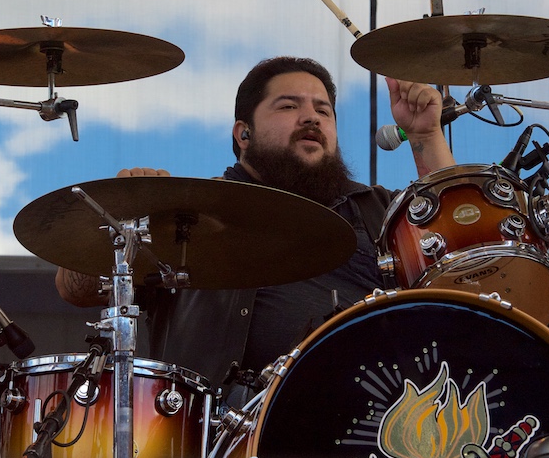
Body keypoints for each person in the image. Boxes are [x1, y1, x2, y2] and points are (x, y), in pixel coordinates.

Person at [56, 57, 455, 407]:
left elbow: (466, 260)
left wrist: (425, 136)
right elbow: (74, 288)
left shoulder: (378, 211)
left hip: (369, 429)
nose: (312, 117)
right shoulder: (187, 213)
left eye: (324, 110)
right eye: (288, 106)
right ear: (242, 134)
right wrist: (128, 217)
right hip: (225, 436)